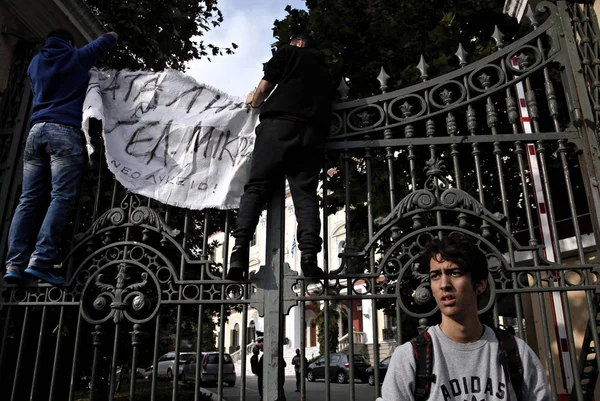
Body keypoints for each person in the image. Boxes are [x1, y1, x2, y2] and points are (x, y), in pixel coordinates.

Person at [3, 29, 118, 286]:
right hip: (64, 132)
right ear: (68, 43)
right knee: (61, 196)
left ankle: (14, 264)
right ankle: (41, 261)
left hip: (35, 133)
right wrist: (112, 34)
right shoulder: (75, 58)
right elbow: (107, 39)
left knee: (28, 200)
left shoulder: (34, 63)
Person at [379, 235, 550, 401]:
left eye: (454, 273)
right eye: (435, 275)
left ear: (480, 284)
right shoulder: (409, 358)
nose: (444, 284)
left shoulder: (516, 353)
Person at [226, 33, 333, 281]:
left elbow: (264, 87)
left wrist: (254, 102)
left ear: (297, 43)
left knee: (256, 188)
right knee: (305, 195)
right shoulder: (326, 73)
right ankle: (309, 258)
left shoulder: (287, 53)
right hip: (312, 134)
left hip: (278, 126)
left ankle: (239, 254)